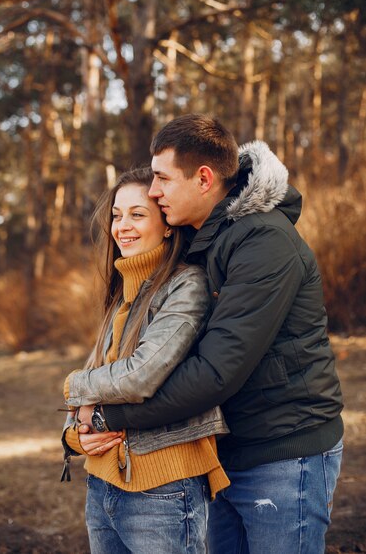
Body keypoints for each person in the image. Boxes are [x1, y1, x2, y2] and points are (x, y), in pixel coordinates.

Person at [71, 115, 344, 554]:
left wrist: (108, 418)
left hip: (283, 452)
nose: (155, 191)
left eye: (161, 179)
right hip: (225, 450)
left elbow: (216, 371)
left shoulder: (264, 243)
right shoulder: (205, 241)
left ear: (203, 178)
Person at [61, 167, 230, 554]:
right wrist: (75, 437)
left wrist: (72, 387)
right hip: (102, 484)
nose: (122, 226)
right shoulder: (122, 292)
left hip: (163, 488)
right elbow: (97, 373)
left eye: (137, 214)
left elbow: (140, 375)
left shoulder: (186, 287)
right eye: (117, 216)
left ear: (167, 225)